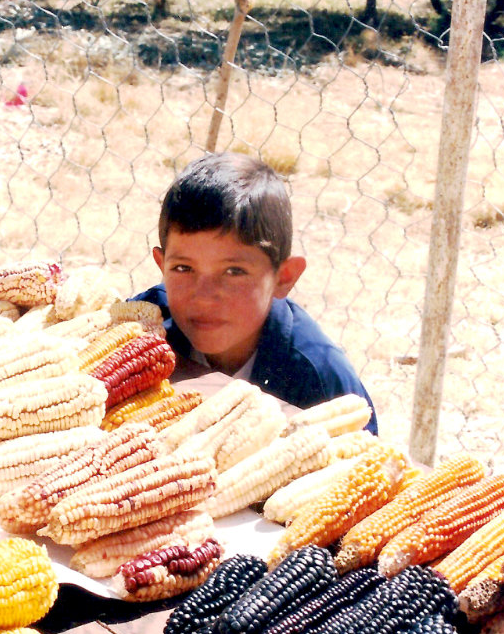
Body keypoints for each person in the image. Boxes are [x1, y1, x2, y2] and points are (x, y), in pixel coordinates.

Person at [133, 152, 379, 433]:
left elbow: (363, 465)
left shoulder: (322, 381)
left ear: (283, 278)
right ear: (161, 266)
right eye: (183, 268)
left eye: (234, 272)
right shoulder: (145, 327)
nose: (204, 295)